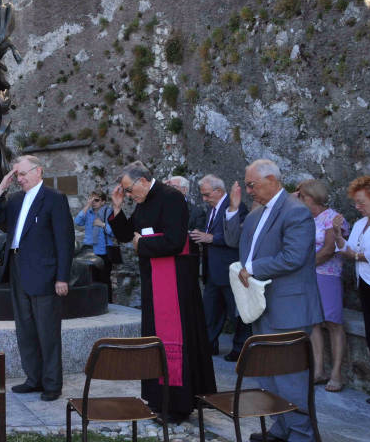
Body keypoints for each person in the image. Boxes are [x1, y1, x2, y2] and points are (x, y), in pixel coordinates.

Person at [223, 159, 323, 442]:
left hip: (289, 309)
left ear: (272, 180)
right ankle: (282, 429)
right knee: (267, 374)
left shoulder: (296, 212)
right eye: (247, 184)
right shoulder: (256, 215)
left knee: (291, 377)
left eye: (252, 184)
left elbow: (294, 257)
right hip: (261, 307)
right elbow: (233, 241)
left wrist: (252, 269)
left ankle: (302, 436)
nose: (249, 189)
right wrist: (233, 207)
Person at [110, 161, 216, 422]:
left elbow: (174, 240)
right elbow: (127, 235)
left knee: (176, 341)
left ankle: (178, 405)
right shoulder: (143, 201)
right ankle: (159, 399)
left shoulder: (171, 198)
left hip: (174, 283)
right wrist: (116, 207)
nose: (128, 195)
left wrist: (142, 244)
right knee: (154, 339)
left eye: (128, 190)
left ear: (143, 180)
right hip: (154, 280)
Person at [0, 156, 71, 399]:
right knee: (25, 330)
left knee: (48, 331)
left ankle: (52, 384)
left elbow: (64, 241)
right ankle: (33, 379)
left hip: (45, 274)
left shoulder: (54, 199)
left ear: (38, 172)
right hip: (17, 269)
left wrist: (62, 277)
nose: (19, 179)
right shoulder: (14, 200)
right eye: (17, 175)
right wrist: (1, 189)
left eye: (22, 174)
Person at [190, 174, 250, 362]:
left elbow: (238, 237)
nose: (204, 199)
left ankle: (241, 349)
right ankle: (209, 345)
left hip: (229, 269)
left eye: (207, 195)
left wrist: (211, 238)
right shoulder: (212, 209)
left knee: (236, 312)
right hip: (212, 270)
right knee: (210, 310)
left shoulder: (235, 207)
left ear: (219, 191)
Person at [296, 178, 347, 392]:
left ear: (311, 197)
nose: (298, 200)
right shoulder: (306, 217)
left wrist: (304, 267)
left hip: (327, 275)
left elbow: (328, 249)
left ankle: (336, 373)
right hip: (309, 275)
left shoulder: (333, 218)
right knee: (313, 322)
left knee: (333, 323)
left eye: (302, 196)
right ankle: (318, 370)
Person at [334, 175, 370, 406]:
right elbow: (347, 249)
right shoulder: (362, 224)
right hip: (367, 285)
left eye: (361, 202)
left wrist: (356, 256)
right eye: (355, 202)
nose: (357, 207)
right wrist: (337, 234)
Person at [74, 190, 116, 302]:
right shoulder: (88, 212)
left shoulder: (108, 212)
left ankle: (108, 302)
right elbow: (77, 221)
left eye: (96, 200)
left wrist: (102, 224)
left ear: (103, 202)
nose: (93, 202)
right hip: (89, 251)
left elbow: (114, 232)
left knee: (104, 279)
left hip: (103, 252)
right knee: (91, 280)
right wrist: (87, 205)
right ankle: (95, 303)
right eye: (91, 199)